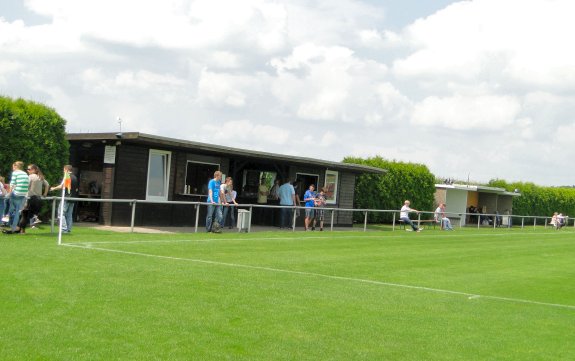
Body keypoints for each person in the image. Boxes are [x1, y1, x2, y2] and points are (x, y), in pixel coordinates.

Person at [17, 164, 49, 233]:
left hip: (30, 199)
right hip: (38, 199)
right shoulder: (40, 177)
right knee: (29, 215)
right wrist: (45, 194)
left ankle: (22, 230)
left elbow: (26, 186)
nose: (27, 171)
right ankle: (22, 228)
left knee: (24, 215)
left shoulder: (30, 176)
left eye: (29, 169)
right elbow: (47, 185)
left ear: (34, 170)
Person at [50, 165, 79, 234]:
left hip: (66, 198)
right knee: (69, 214)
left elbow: (62, 186)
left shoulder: (66, 176)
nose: (63, 171)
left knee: (61, 214)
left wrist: (53, 188)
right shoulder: (75, 177)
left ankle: (64, 229)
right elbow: (76, 189)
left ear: (66, 169)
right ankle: (68, 229)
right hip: (72, 198)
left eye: (63, 169)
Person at [2, 161, 29, 234]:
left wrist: (9, 193)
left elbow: (12, 184)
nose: (12, 168)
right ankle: (14, 228)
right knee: (17, 211)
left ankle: (5, 216)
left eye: (13, 167)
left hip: (16, 193)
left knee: (6, 200)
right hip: (23, 194)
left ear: (15, 166)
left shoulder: (15, 173)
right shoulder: (25, 173)